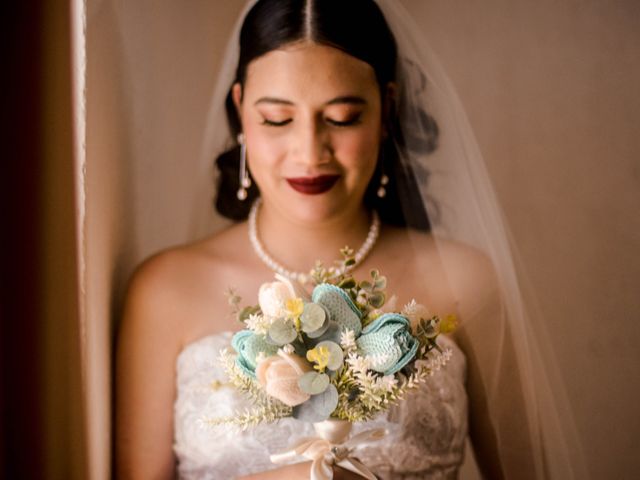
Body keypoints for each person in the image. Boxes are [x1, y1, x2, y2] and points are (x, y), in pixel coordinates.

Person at [116, 1, 587, 479]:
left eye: (341, 118)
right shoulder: (166, 289)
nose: (309, 151)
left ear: (387, 110)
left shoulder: (465, 281)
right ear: (241, 113)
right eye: (278, 119)